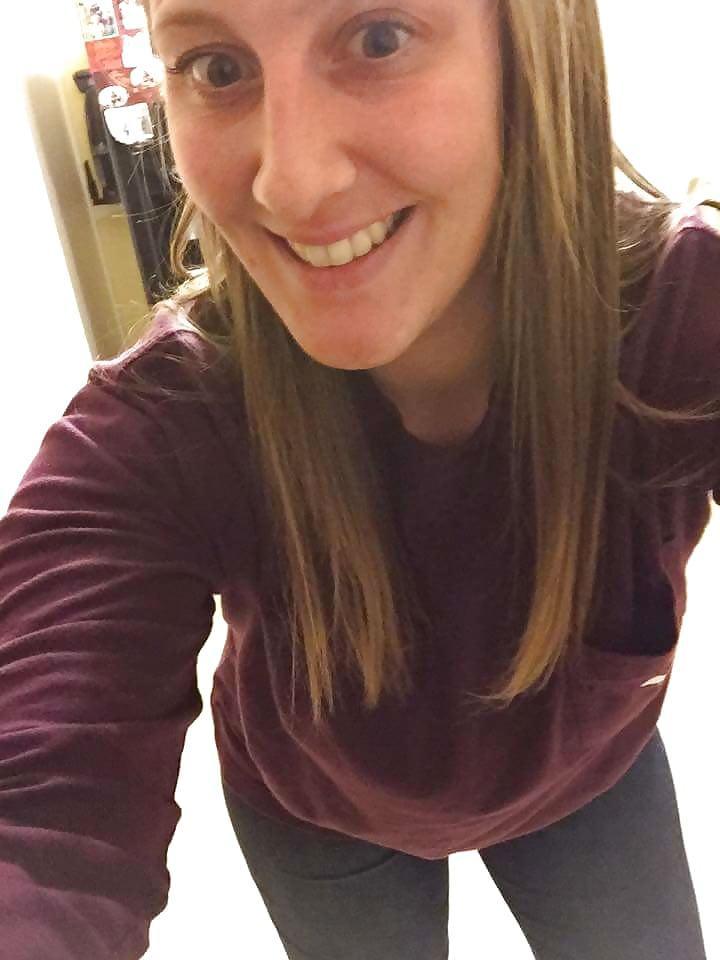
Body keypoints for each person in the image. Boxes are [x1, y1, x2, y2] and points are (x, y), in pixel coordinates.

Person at [1, 0, 719, 958]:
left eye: (380, 38)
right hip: (318, 817)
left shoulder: (682, 309)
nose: (291, 184)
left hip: (590, 778)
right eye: (216, 68)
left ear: (535, 51)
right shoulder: (167, 419)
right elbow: (41, 802)